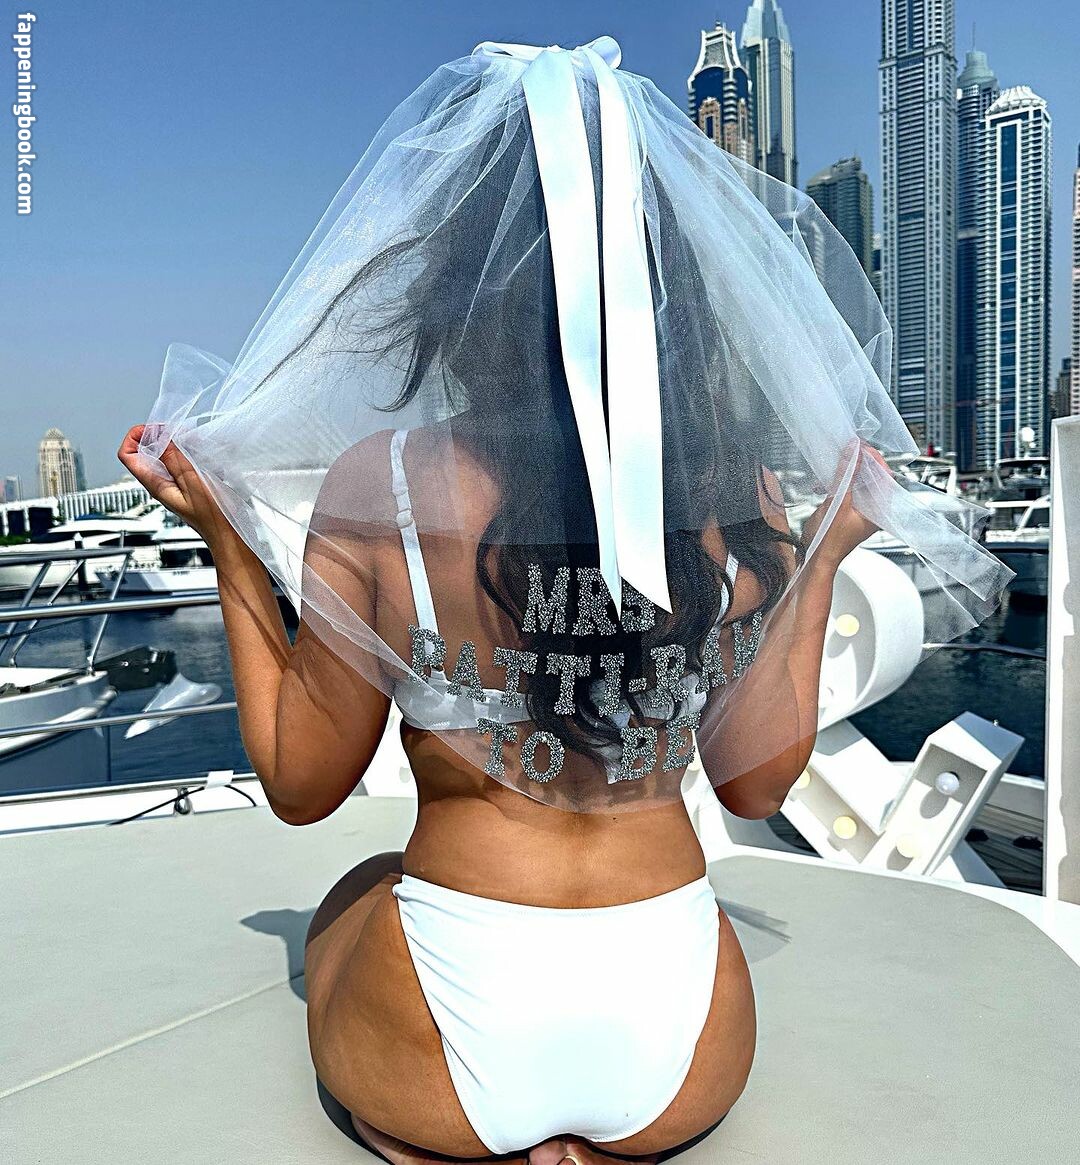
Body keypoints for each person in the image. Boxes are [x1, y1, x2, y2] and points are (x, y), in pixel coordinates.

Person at [120, 36, 1011, 1165]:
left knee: (354, 888)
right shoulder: (737, 492)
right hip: (681, 1037)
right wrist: (825, 551)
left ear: (451, 285)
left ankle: (441, 1144)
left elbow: (302, 783)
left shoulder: (383, 487)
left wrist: (228, 543)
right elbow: (752, 781)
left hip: (443, 1033)